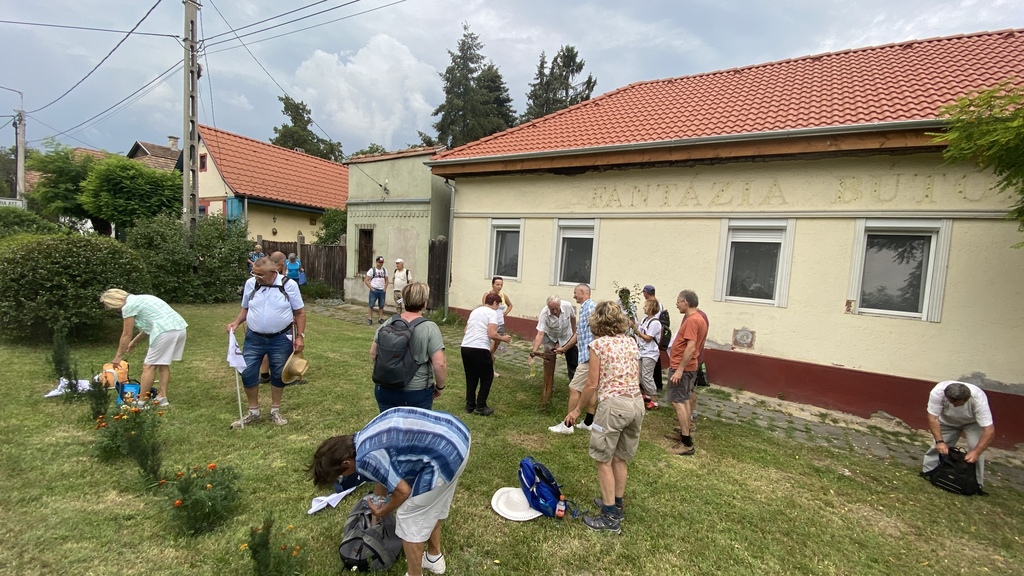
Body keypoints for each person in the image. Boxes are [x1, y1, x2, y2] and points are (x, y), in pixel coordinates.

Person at [309, 407, 470, 576]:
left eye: (340, 475)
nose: (344, 477)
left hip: (445, 455)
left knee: (408, 518)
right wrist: (378, 502)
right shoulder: (363, 437)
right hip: (457, 436)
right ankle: (433, 559)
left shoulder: (365, 459)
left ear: (346, 463)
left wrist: (384, 510)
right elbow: (383, 476)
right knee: (430, 508)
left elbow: (403, 492)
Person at [564, 301, 644, 534]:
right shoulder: (630, 342)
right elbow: (636, 375)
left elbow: (591, 384)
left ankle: (609, 517)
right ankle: (616, 504)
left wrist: (576, 410)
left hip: (613, 406)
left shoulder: (598, 345)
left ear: (597, 321)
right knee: (620, 458)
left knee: (603, 459)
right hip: (636, 404)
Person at [226, 256, 306, 428]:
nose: (256, 277)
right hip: (254, 338)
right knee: (247, 372)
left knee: (278, 374)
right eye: (254, 274)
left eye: (259, 275)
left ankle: (275, 410)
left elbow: (300, 312)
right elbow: (245, 308)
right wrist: (236, 322)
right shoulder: (251, 284)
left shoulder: (289, 285)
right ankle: (253, 412)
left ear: (272, 272)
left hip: (280, 338)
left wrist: (300, 336)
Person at [100, 289, 187, 407]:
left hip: (164, 332)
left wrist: (118, 356)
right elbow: (150, 325)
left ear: (116, 301)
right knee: (163, 364)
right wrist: (134, 342)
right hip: (179, 329)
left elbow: (126, 334)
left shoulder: (128, 307)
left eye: (115, 308)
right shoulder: (143, 298)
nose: (118, 311)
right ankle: (162, 398)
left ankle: (140, 402)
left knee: (149, 366)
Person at [370, 283, 446, 412]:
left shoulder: (390, 322)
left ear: (404, 301)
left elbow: (373, 353)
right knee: (415, 425)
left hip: (385, 388)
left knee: (389, 424)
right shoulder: (430, 328)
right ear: (424, 303)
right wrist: (439, 387)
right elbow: (440, 364)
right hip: (416, 391)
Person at [921, 381, 996, 490]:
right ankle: (929, 472)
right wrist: (939, 441)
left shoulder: (978, 400)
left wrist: (976, 452)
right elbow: (933, 418)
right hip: (947, 421)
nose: (954, 405)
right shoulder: (937, 392)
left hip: (972, 423)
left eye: (957, 403)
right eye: (951, 401)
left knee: (975, 450)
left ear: (966, 399)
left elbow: (989, 430)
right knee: (938, 448)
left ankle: (975, 483)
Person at [548, 283, 597, 434]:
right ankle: (588, 422)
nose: (574, 295)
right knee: (591, 388)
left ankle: (567, 425)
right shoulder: (587, 307)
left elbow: (597, 331)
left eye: (576, 293)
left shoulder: (589, 308)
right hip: (590, 355)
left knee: (574, 388)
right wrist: (564, 348)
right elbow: (579, 334)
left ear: (582, 292)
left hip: (589, 356)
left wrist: (595, 350)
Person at [665, 290, 707, 456]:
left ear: (686, 302)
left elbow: (690, 347)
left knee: (678, 401)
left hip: (682, 368)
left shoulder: (692, 320)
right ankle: (685, 432)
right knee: (686, 399)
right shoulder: (700, 318)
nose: (677, 305)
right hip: (689, 366)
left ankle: (687, 443)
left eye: (678, 302)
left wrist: (679, 370)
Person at [461, 292, 511, 416]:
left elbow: (466, 330)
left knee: (471, 377)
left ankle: (470, 405)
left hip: (466, 346)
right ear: (494, 303)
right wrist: (504, 338)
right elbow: (492, 334)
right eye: (498, 305)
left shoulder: (475, 311)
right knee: (487, 377)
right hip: (480, 347)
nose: (498, 308)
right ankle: (481, 406)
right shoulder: (492, 313)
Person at [529, 294, 578, 380]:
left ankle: (574, 382)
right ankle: (548, 382)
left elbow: (573, 318)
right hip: (550, 336)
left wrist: (574, 333)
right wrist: (533, 353)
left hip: (566, 335)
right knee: (548, 359)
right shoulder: (544, 313)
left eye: (556, 308)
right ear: (548, 307)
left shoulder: (567, 306)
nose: (555, 311)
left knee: (573, 360)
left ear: (560, 305)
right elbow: (540, 334)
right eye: (552, 309)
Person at [634, 298, 662, 410]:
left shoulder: (655, 323)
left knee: (647, 376)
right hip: (642, 351)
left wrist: (637, 332)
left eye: (646, 306)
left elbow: (648, 338)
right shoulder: (645, 319)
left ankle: (654, 399)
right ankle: (647, 394)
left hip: (650, 353)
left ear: (651, 308)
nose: (643, 308)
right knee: (640, 374)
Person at [482, 276, 513, 376]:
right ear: (492, 284)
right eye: (497, 284)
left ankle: (491, 368)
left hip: (500, 324)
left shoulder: (503, 296)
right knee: (489, 348)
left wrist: (505, 313)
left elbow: (510, 305)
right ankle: (485, 368)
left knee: (495, 349)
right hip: (490, 325)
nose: (499, 286)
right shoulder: (487, 295)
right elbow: (484, 309)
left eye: (501, 285)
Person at [642, 285, 666, 392]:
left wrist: (638, 332)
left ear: (646, 293)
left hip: (651, 347)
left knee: (649, 372)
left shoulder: (656, 308)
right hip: (645, 349)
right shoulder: (658, 305)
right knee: (645, 373)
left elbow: (650, 335)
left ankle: (654, 390)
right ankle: (651, 389)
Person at [365, 256, 389, 325]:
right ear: (376, 262)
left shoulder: (384, 270)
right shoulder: (372, 270)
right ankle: (370, 318)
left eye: (382, 262)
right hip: (374, 290)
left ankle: (380, 318)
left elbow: (386, 280)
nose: (381, 264)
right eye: (379, 262)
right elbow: (366, 280)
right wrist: (371, 288)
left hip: (382, 290)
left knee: (381, 305)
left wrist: (385, 288)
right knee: (371, 305)